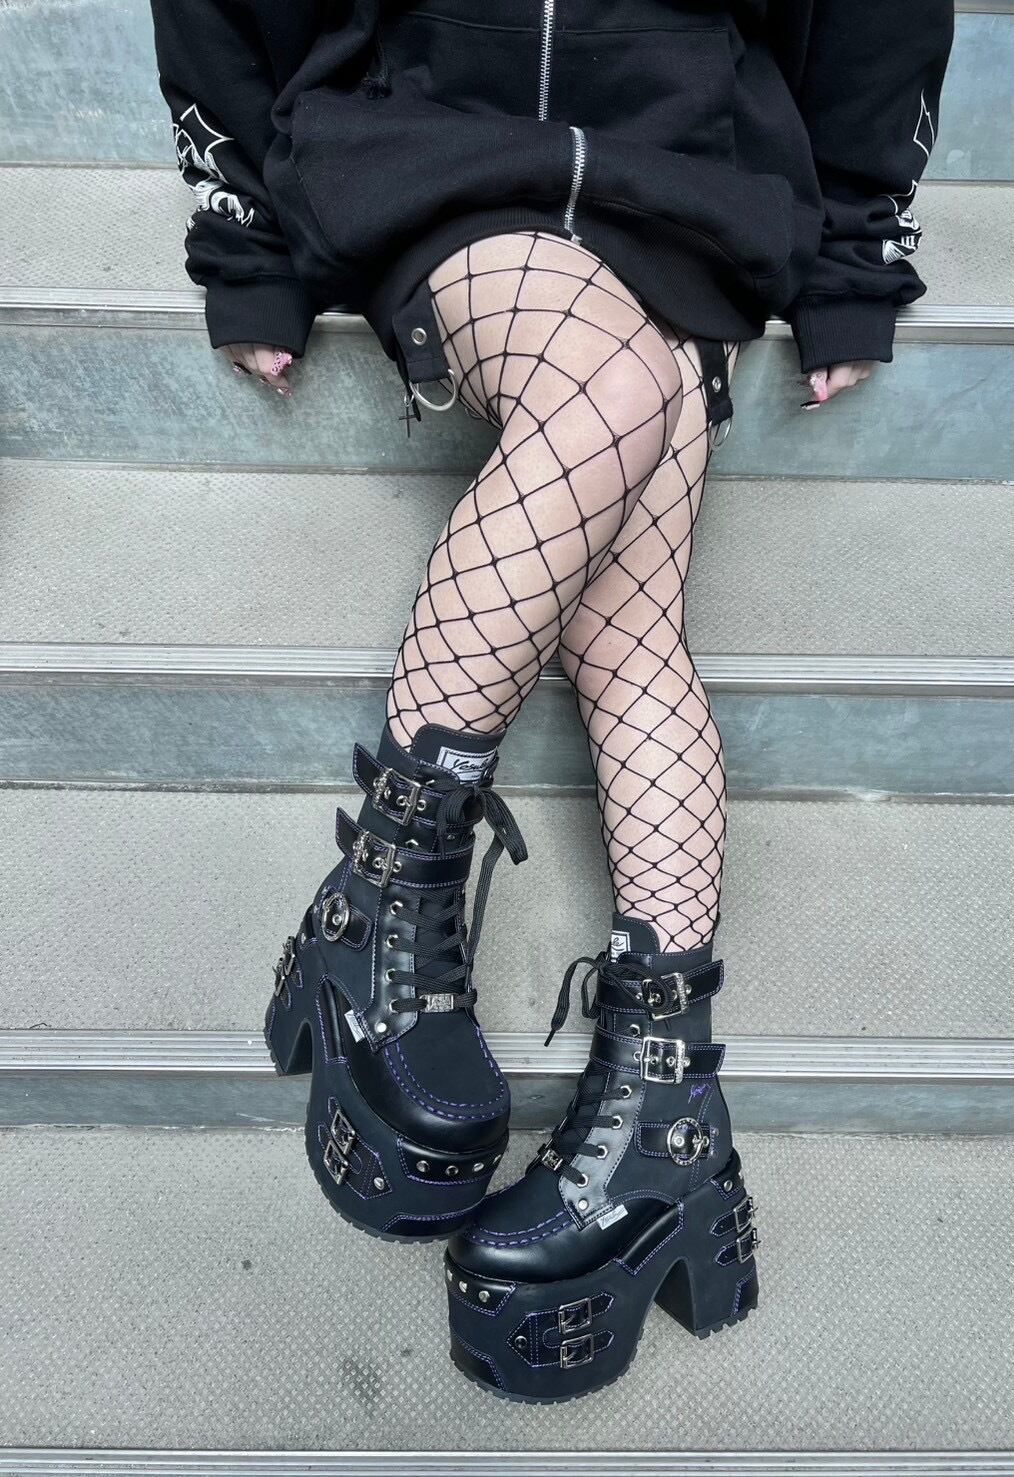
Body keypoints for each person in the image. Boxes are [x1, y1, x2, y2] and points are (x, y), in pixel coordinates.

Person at [151, 0, 954, 1401]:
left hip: (687, 166)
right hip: (443, 145)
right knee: (611, 393)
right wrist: (248, 237)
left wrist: (853, 252)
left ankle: (660, 1104)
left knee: (632, 607)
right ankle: (395, 876)